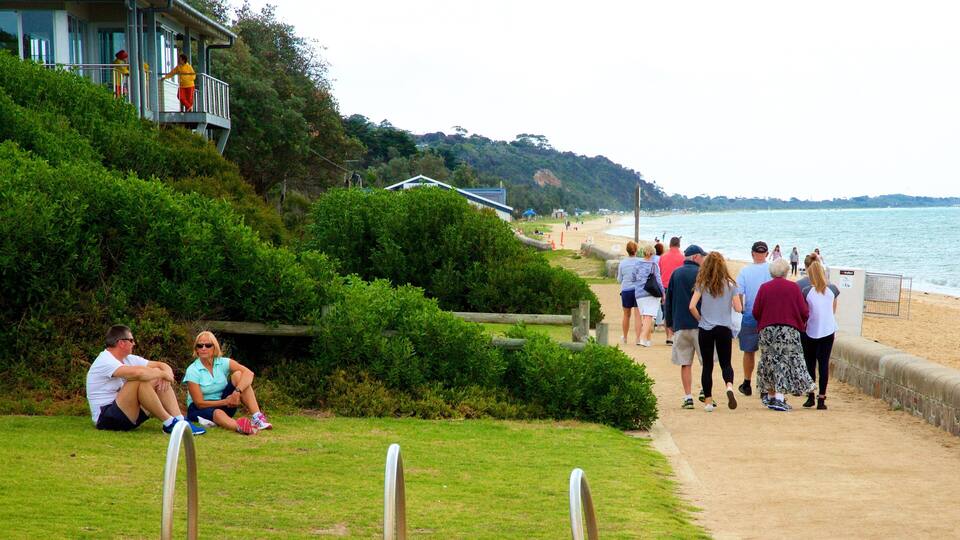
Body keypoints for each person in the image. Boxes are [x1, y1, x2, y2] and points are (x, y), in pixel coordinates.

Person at [86, 325, 205, 435]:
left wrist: (165, 375)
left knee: (155, 377)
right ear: (121, 343)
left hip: (126, 413)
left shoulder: (128, 358)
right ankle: (169, 423)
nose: (134, 343)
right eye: (131, 340)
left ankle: (180, 420)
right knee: (139, 379)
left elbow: (161, 365)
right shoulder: (105, 360)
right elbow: (138, 373)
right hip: (107, 418)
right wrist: (162, 374)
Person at [752, 259, 815, 411]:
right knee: (783, 362)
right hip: (788, 330)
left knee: (769, 361)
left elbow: (756, 311)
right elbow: (804, 311)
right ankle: (779, 398)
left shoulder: (764, 288)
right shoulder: (793, 288)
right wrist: (801, 322)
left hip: (767, 330)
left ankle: (771, 396)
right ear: (786, 272)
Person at [183, 331, 273, 435]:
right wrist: (226, 402)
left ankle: (257, 417)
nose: (203, 348)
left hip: (226, 402)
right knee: (218, 413)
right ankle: (241, 427)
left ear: (214, 348)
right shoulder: (192, 370)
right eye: (200, 345)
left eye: (208, 345)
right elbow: (199, 403)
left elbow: (249, 373)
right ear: (196, 349)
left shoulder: (223, 362)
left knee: (239, 375)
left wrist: (237, 392)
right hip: (200, 408)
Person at [689, 252, 743, 412]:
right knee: (726, 363)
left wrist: (700, 318)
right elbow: (738, 308)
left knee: (707, 365)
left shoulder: (702, 284)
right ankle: (729, 386)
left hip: (706, 328)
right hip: (724, 328)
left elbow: (691, 306)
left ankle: (708, 401)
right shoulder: (731, 285)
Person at [664, 244, 707, 409]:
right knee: (706, 361)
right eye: (702, 257)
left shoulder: (676, 273)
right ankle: (705, 391)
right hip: (701, 323)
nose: (703, 260)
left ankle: (688, 397)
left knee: (685, 362)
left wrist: (669, 322)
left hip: (681, 323)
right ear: (695, 257)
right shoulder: (702, 273)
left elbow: (669, 300)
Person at [799, 261, 839, 410]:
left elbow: (805, 311)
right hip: (828, 330)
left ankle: (810, 396)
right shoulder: (832, 290)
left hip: (811, 330)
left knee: (810, 364)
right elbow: (833, 310)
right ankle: (821, 398)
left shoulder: (806, 291)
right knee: (823, 364)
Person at [735, 241, 771, 398]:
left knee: (749, 351)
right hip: (768, 315)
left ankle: (747, 382)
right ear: (767, 254)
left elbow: (739, 293)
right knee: (767, 352)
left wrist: (741, 310)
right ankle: (765, 386)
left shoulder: (745, 271)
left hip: (750, 313)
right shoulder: (772, 269)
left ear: (752, 254)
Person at [630, 242, 665, 347]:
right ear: (653, 254)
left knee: (646, 316)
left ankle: (646, 340)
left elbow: (632, 278)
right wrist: (663, 293)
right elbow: (658, 281)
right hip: (651, 293)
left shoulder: (637, 264)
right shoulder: (654, 265)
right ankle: (642, 338)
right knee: (649, 316)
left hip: (639, 294)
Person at [616, 241, 643, 345]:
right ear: (636, 250)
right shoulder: (641, 261)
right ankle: (638, 338)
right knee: (638, 315)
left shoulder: (622, 263)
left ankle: (625, 337)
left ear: (627, 251)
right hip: (638, 290)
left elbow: (619, 279)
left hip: (626, 290)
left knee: (626, 315)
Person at [658, 237, 685, 345]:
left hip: (665, 286)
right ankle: (675, 335)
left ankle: (669, 336)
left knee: (667, 311)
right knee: (677, 311)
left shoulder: (663, 257)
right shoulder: (683, 257)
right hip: (678, 286)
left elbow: (660, 272)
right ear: (679, 245)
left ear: (670, 244)